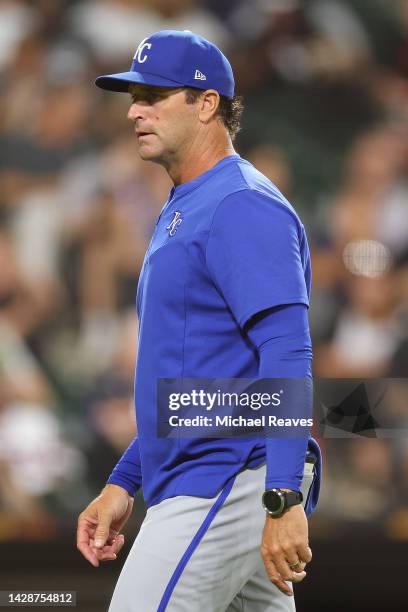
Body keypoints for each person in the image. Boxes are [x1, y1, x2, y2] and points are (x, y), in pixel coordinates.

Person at [76, 30, 322, 611]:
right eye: (133, 96)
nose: (136, 109)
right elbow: (195, 376)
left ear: (206, 103)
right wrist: (125, 479)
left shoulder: (240, 204)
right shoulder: (192, 201)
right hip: (212, 469)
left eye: (155, 95)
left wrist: (282, 499)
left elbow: (287, 352)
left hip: (228, 476)